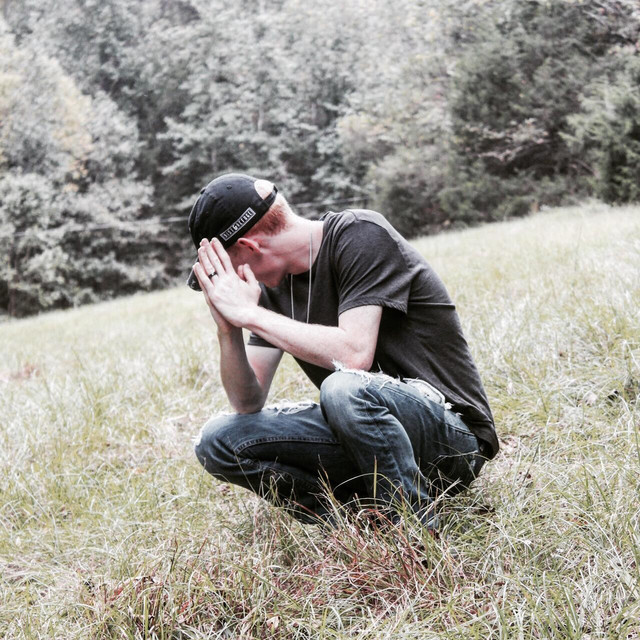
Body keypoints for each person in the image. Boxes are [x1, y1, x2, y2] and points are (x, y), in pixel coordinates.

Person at [188, 173, 498, 528]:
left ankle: (413, 530)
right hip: (363, 437)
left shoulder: (360, 233)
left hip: (451, 439)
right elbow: (247, 401)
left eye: (224, 268)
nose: (227, 283)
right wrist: (229, 328)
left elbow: (353, 355)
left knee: (343, 388)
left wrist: (250, 314)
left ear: (250, 246)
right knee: (217, 440)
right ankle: (358, 524)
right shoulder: (268, 291)